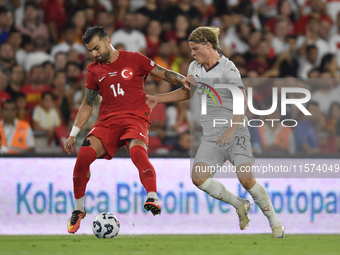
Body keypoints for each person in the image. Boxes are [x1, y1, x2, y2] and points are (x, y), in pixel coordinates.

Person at [146, 26, 285, 238]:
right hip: (212, 135)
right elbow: (187, 93)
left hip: (235, 129)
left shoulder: (228, 69)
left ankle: (275, 223)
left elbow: (242, 102)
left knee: (246, 180)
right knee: (198, 178)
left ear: (208, 46)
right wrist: (157, 99)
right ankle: (239, 204)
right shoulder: (195, 67)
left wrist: (231, 129)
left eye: (195, 49)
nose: (191, 54)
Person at [63, 26, 189, 234]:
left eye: (96, 48)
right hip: (107, 122)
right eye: (90, 51)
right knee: (83, 155)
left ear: (107, 40)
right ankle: (78, 210)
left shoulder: (135, 59)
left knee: (137, 152)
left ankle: (152, 197)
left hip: (135, 118)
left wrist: (182, 79)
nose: (94, 54)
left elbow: (164, 74)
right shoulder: (94, 71)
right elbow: (87, 104)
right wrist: (73, 135)